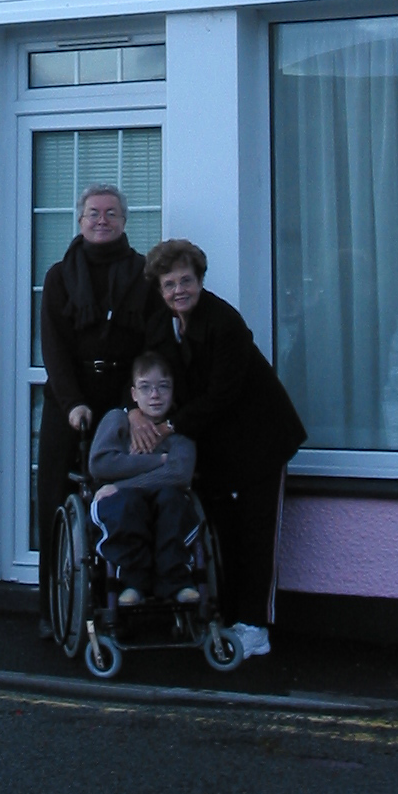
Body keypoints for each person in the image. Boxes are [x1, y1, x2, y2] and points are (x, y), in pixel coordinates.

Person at [138, 237, 306, 660]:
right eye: (170, 283)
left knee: (256, 535)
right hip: (213, 446)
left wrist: (170, 426)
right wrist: (135, 413)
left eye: (187, 280)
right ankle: (229, 619)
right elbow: (151, 378)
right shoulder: (161, 325)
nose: (179, 290)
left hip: (260, 441)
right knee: (223, 534)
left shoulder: (224, 323)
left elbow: (222, 395)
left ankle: (256, 627)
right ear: (159, 290)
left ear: (200, 280)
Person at [36, 182, 149, 634]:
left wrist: (130, 408)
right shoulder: (60, 276)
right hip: (70, 400)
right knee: (55, 501)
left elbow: (150, 347)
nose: (102, 221)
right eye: (93, 214)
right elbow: (54, 349)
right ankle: (51, 610)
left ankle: (119, 603)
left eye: (111, 214)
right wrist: (74, 404)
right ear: (80, 221)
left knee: (120, 499)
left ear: (124, 221)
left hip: (124, 398)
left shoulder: (143, 272)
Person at [87, 353, 200, 605]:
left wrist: (119, 484)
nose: (155, 395)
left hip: (159, 500)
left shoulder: (181, 431)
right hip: (122, 506)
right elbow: (101, 464)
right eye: (146, 388)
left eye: (163, 387)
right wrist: (157, 462)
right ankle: (132, 582)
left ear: (173, 392)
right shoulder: (116, 420)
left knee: (173, 500)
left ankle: (176, 581)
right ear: (134, 394)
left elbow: (179, 474)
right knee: (126, 504)